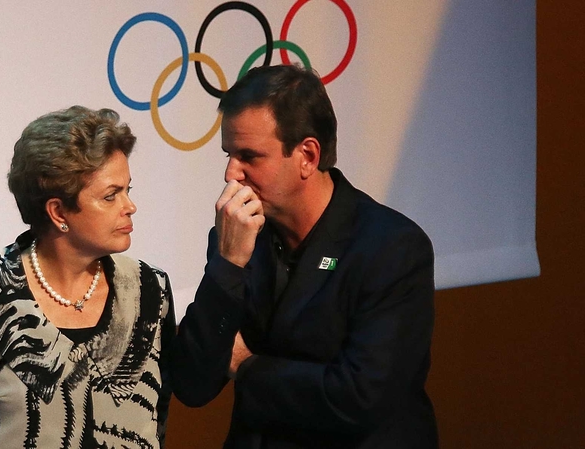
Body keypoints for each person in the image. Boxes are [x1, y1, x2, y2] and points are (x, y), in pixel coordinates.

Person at [170, 64, 438, 448]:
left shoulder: (391, 248)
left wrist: (246, 366)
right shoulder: (238, 237)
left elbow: (358, 399)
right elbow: (193, 384)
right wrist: (228, 265)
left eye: (249, 156)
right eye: (229, 154)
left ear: (308, 156)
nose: (232, 174)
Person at [0, 106, 175, 449]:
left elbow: (156, 417)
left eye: (127, 190)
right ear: (58, 211)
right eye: (111, 196)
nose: (129, 206)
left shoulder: (149, 290)